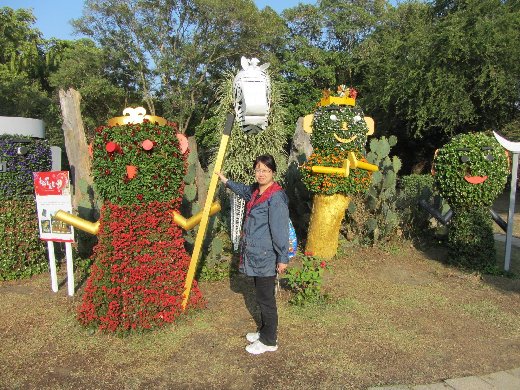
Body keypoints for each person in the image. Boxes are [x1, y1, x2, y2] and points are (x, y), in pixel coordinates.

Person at [216, 154, 290, 355]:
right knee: (260, 296)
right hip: (255, 254)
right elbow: (242, 190)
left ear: (273, 172)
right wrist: (225, 180)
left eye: (265, 170)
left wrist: (283, 258)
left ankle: (269, 341)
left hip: (267, 256)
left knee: (266, 300)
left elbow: (280, 230)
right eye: (258, 169)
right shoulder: (256, 192)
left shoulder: (275, 197)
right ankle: (264, 332)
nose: (261, 173)